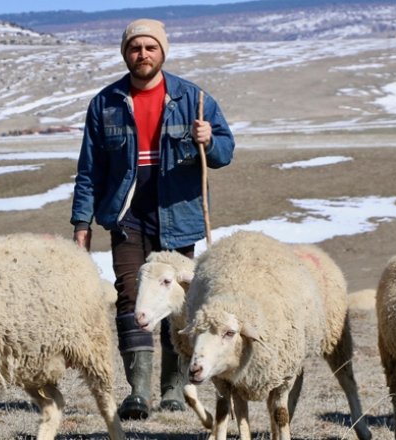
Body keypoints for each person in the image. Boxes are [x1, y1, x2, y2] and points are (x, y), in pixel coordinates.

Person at [70, 18, 235, 420]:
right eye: (134, 48)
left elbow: (225, 152)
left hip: (177, 215)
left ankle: (174, 389)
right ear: (125, 53)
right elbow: (89, 170)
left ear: (162, 51)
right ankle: (138, 392)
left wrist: (208, 140)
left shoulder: (193, 99)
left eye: (150, 48)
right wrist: (81, 224)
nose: (142, 54)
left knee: (176, 305)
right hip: (126, 218)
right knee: (131, 299)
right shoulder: (106, 103)